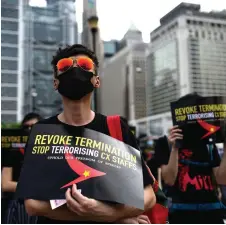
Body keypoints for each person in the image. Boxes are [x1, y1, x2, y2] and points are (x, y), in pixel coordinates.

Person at [24, 44, 156, 224]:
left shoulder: (116, 128)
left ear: (97, 80)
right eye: (65, 66)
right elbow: (32, 205)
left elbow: (148, 195)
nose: (75, 69)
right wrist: (103, 215)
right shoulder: (41, 133)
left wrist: (111, 215)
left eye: (85, 65)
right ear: (55, 82)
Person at [154, 93, 226, 224]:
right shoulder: (164, 143)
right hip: (181, 215)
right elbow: (169, 180)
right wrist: (175, 148)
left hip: (212, 214)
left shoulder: (208, 144)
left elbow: (222, 179)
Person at [1, 112, 42, 223]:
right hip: (17, 203)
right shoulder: (13, 152)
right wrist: (36, 187)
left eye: (33, 127)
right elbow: (5, 184)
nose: (29, 130)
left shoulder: (49, 153)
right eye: (26, 127)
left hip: (42, 205)